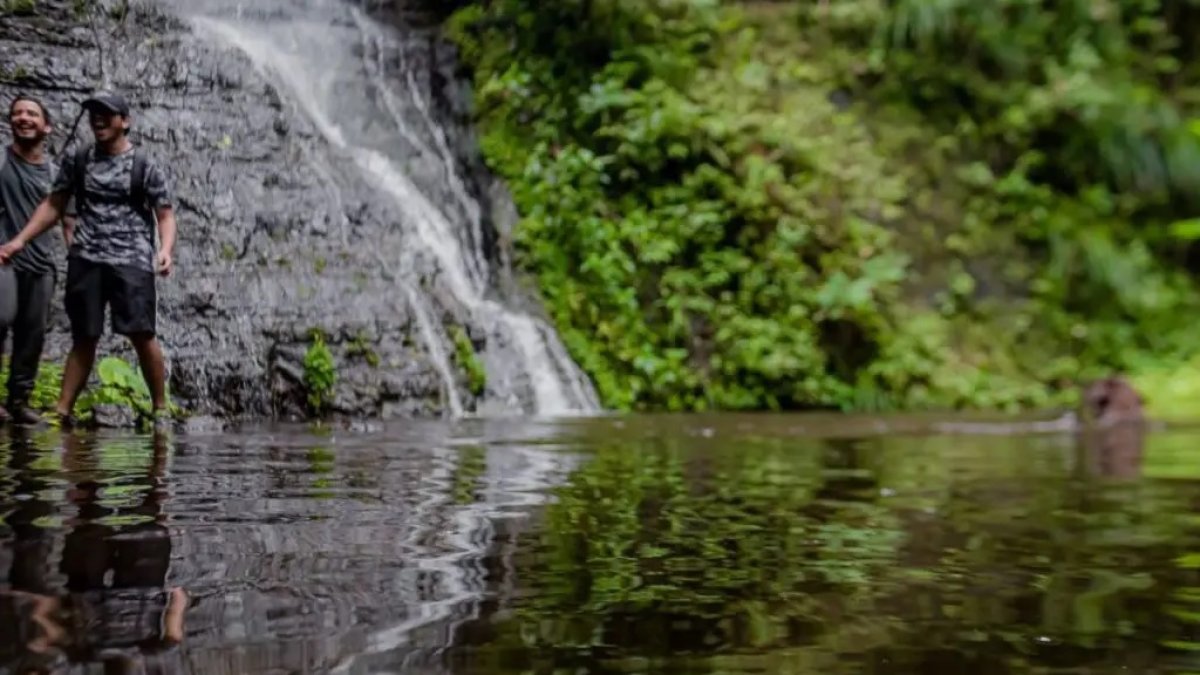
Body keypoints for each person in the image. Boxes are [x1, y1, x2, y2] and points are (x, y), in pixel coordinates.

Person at [0, 91, 177, 430]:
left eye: (106, 113)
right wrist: (20, 240)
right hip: (86, 258)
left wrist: (165, 249)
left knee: (142, 333)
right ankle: (62, 411)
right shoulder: (78, 158)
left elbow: (165, 214)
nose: (98, 118)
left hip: (132, 261)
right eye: (94, 112)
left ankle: (160, 408)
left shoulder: (144, 164)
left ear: (124, 121)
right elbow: (54, 204)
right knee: (84, 335)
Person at [0, 95, 73, 425]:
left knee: (32, 334)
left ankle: (19, 401)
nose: (23, 117)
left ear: (47, 127)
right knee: (0, 319)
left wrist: (80, 261)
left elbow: (69, 223)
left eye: (31, 113)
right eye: (17, 113)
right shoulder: (1, 160)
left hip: (41, 264)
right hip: (3, 257)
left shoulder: (57, 175)